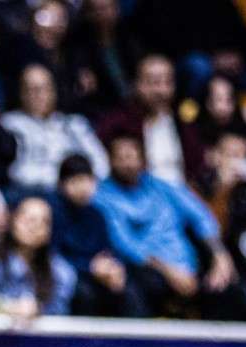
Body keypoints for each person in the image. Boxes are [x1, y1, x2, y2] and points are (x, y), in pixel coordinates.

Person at [95, 132, 237, 318]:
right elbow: (125, 244)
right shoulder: (103, 196)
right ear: (110, 161)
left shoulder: (162, 187)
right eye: (121, 158)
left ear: (143, 159)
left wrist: (219, 255)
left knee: (227, 286)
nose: (127, 163)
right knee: (145, 285)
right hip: (147, 269)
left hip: (188, 266)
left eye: (132, 157)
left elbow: (201, 216)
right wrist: (169, 272)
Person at [95, 55, 205, 191]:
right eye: (154, 82)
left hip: (181, 195)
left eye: (168, 82)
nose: (161, 91)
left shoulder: (182, 123)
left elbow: (197, 167)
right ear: (137, 85)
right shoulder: (118, 124)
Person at [52, 154, 140, 317]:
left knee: (130, 288)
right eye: (76, 181)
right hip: (71, 274)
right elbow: (53, 255)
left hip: (100, 273)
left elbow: (108, 249)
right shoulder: (54, 213)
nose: (83, 187)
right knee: (84, 293)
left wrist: (114, 268)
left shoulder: (96, 214)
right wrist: (89, 267)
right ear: (61, 184)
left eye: (88, 180)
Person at [0, 62, 106, 194]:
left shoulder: (74, 123)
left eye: (44, 88)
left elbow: (101, 164)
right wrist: (64, 182)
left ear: (54, 91)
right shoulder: (10, 124)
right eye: (32, 89)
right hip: (37, 193)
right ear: (21, 93)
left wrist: (82, 182)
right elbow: (16, 171)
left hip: (85, 190)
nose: (39, 94)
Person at [0, 195, 75, 318]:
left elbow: (60, 310)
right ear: (13, 221)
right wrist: (8, 307)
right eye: (29, 220)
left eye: (43, 222)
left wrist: (38, 309)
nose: (34, 227)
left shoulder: (61, 271)